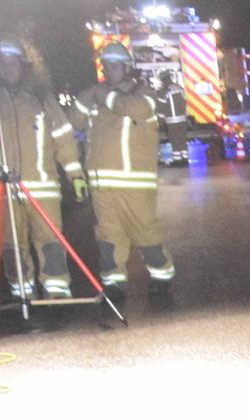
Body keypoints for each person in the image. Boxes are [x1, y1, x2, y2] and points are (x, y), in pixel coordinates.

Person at [0, 38, 86, 301]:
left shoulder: (41, 99)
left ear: (23, 65)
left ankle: (57, 290)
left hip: (42, 186)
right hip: (2, 187)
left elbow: (63, 138)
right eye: (1, 63)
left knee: (50, 241)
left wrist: (75, 175)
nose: (7, 68)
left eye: (12, 62)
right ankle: (21, 292)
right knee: (11, 246)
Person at [73, 43, 176, 303]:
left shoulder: (144, 94)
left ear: (127, 68)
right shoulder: (95, 95)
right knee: (109, 238)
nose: (110, 71)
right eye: (106, 66)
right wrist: (86, 99)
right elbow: (72, 122)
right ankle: (114, 284)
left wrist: (103, 97)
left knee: (146, 233)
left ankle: (162, 278)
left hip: (135, 184)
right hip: (102, 185)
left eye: (115, 66)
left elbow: (138, 110)